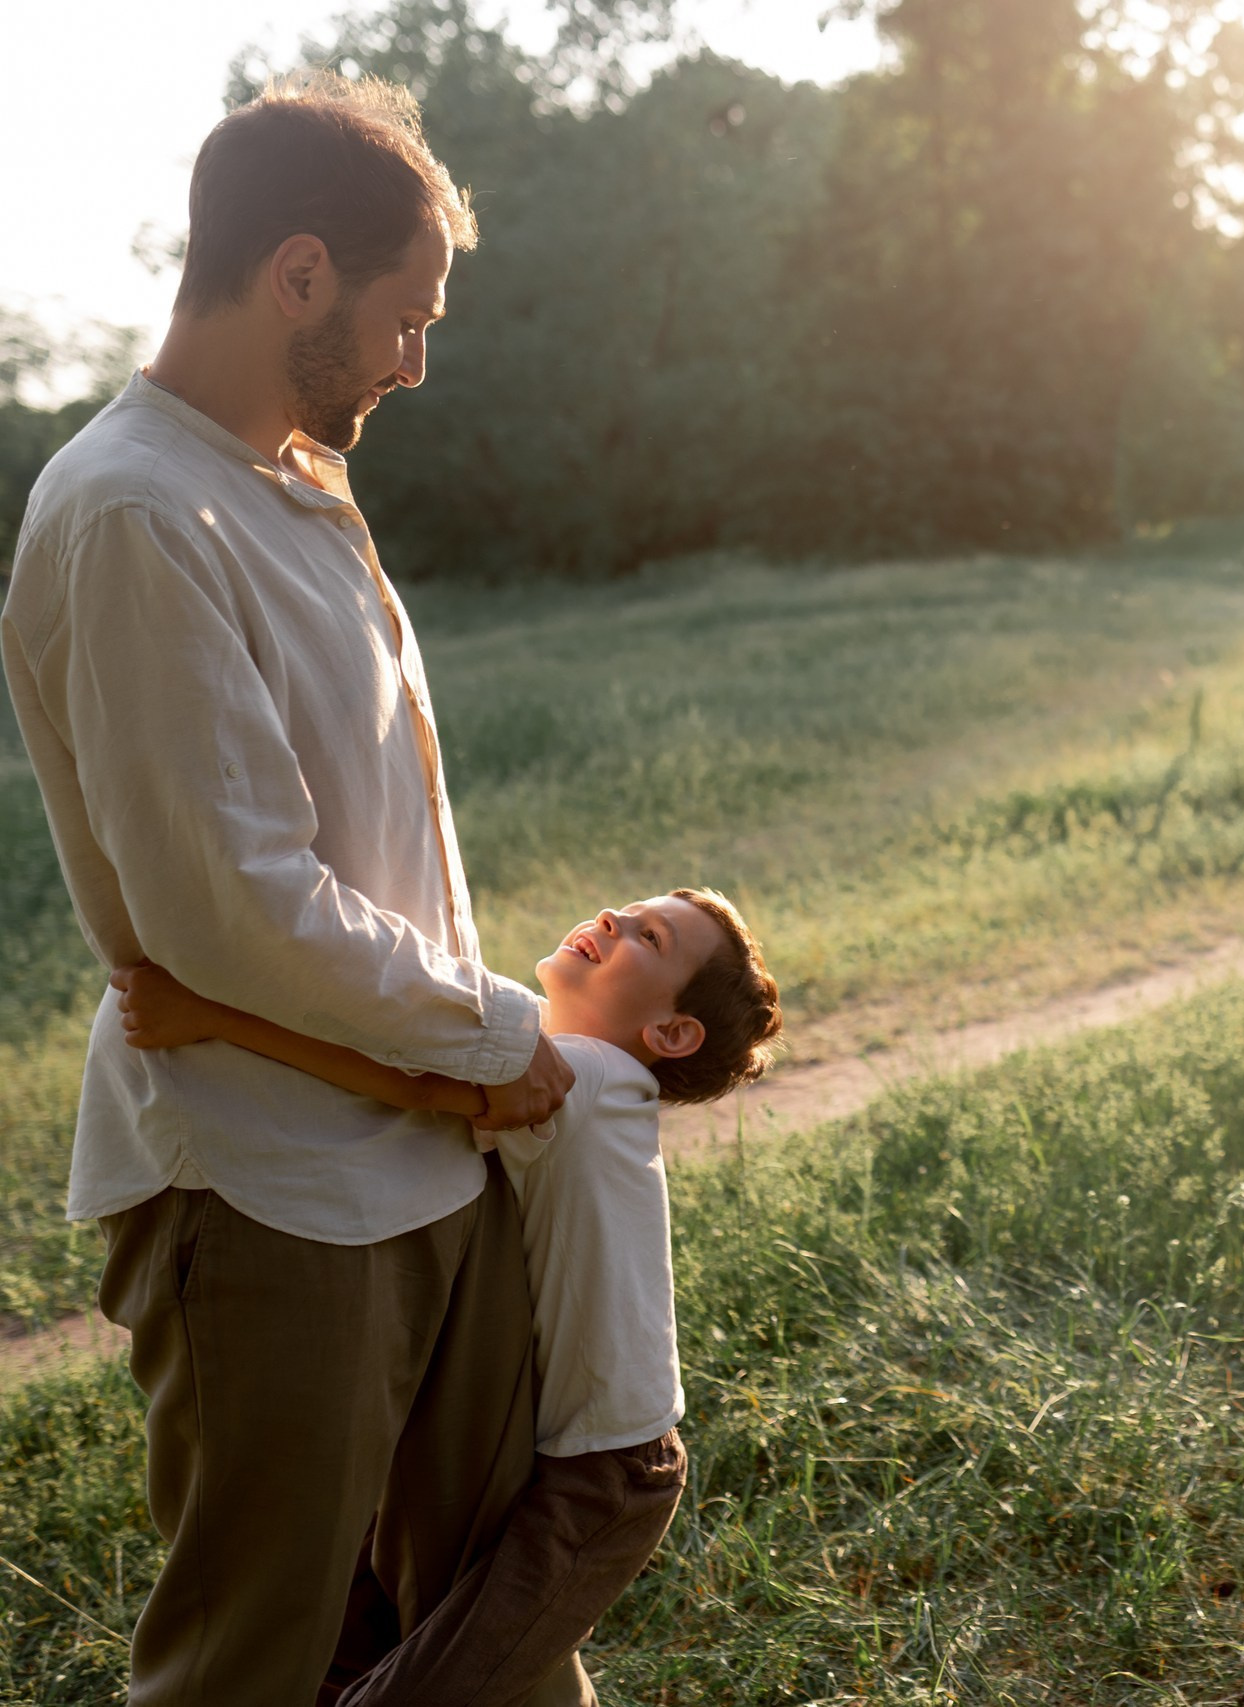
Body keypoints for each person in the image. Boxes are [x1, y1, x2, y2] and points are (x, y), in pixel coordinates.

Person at [0, 73, 580, 1702]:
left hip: (421, 1150)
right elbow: (235, 909)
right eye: (407, 316)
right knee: (256, 1662)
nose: (418, 358)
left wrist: (465, 1069)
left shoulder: (294, 482)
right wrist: (498, 1028)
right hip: (267, 1197)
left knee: (493, 1636)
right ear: (302, 275)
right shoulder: (130, 512)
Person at [116, 887, 783, 1702]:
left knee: (436, 1684)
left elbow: (414, 1075)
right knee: (371, 1643)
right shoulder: (557, 1055)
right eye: (626, 907)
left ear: (671, 1033)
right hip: (547, 1457)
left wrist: (214, 1015)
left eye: (650, 936)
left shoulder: (599, 1077)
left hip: (605, 1480)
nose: (612, 917)